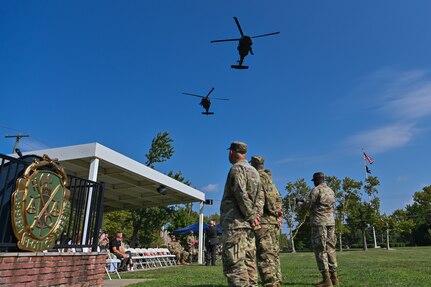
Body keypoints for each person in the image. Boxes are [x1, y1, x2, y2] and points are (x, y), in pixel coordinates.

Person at [220, 141, 263, 287]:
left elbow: (240, 193)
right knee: (249, 265)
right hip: (249, 226)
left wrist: (251, 215)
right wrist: (256, 217)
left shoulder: (236, 169)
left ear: (232, 152)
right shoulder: (255, 172)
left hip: (235, 224)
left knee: (235, 267)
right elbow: (260, 197)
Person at [298, 172, 339, 287]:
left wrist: (300, 204)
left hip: (319, 223)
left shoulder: (315, 190)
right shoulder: (331, 191)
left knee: (320, 249)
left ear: (316, 180)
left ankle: (326, 280)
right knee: (331, 248)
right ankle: (334, 278)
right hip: (330, 222)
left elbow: (308, 206)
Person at [250, 156, 283, 287]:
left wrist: (274, 211)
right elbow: (278, 198)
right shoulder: (270, 179)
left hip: (264, 221)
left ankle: (270, 283)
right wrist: (278, 214)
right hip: (273, 222)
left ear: (253, 164)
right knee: (274, 254)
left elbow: (269, 200)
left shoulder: (259, 177)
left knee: (265, 255)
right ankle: (277, 281)